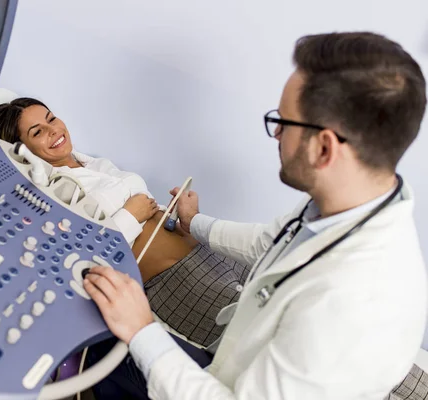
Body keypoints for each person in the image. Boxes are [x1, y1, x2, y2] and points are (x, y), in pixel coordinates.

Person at [81, 31, 428, 399]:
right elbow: (272, 239)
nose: (276, 132)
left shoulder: (349, 305)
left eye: (285, 122)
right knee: (106, 348)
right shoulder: (349, 203)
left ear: (325, 147)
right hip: (233, 365)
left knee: (109, 344)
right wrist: (195, 224)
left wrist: (142, 329)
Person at [0, 98, 250, 348]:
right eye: (38, 132)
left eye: (52, 119)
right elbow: (81, 257)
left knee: (283, 302)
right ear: (23, 150)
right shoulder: (52, 193)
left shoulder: (96, 164)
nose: (53, 130)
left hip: (211, 250)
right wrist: (130, 216)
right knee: (254, 339)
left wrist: (186, 218)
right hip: (177, 281)